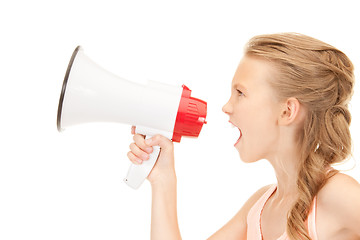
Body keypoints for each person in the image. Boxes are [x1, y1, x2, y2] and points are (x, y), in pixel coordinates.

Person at [127, 33, 360, 240]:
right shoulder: (258, 207)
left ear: (287, 111)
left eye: (240, 93)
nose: (227, 107)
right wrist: (163, 179)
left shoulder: (340, 195)